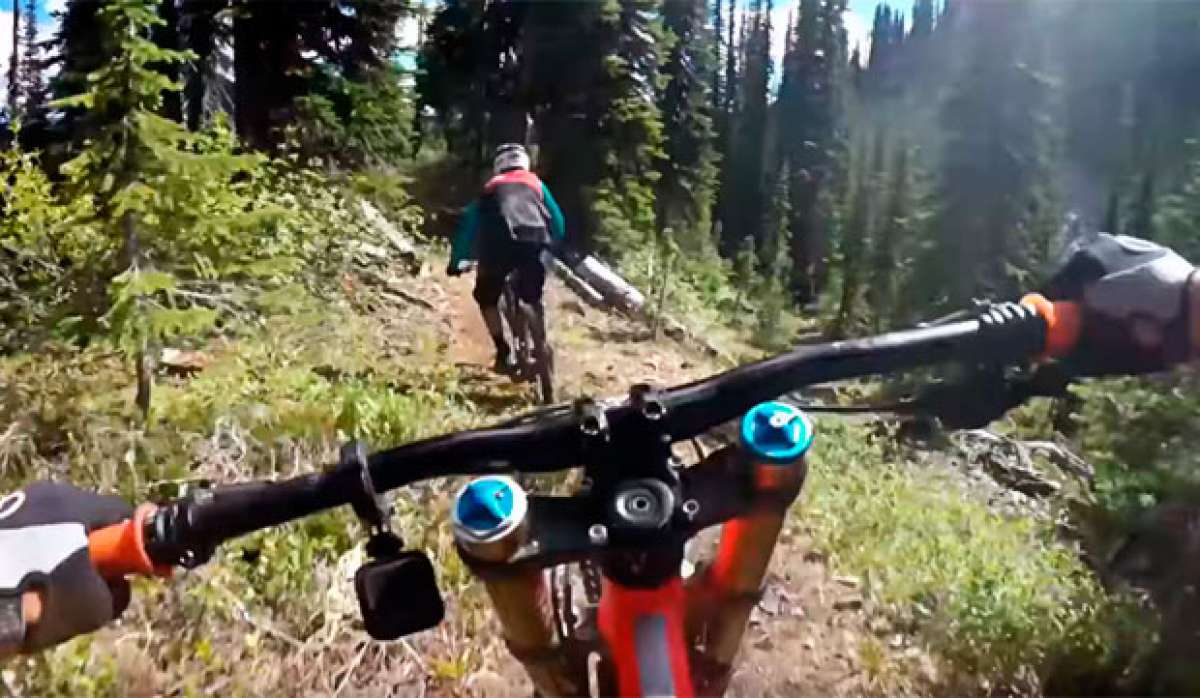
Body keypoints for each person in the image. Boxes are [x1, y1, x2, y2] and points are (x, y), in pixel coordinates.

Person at [2, 232, 1196, 654]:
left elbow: (502, 227)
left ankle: (522, 350)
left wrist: (477, 256)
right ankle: (529, 354)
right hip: (542, 280)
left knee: (506, 307)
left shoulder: (498, 192)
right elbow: (550, 226)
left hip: (510, 279)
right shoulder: (532, 198)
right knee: (523, 315)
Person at [447, 144, 567, 372]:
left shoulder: (491, 188)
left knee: (486, 298)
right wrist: (555, 243)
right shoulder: (536, 184)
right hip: (533, 243)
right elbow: (558, 220)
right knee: (532, 296)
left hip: (497, 248)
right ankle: (540, 341)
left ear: (498, 166)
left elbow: (468, 226)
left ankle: (503, 351)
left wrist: (457, 261)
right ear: (524, 163)